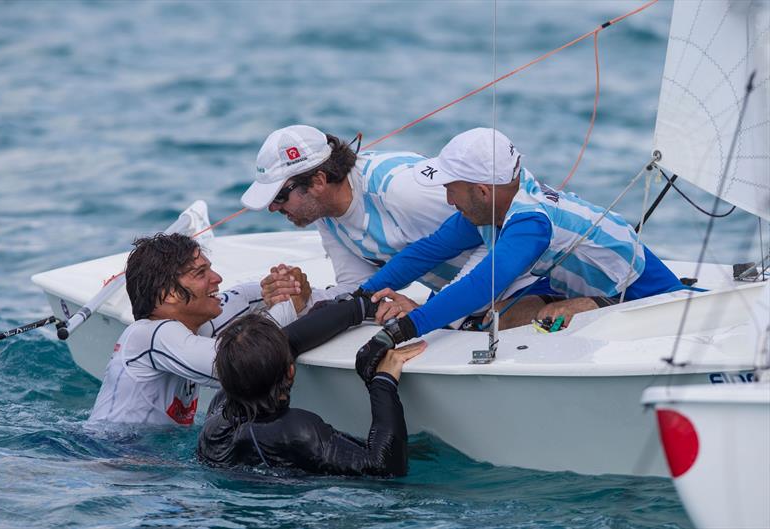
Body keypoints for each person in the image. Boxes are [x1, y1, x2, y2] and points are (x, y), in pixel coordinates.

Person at [354, 128, 686, 353]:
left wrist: (402, 331)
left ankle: (596, 314)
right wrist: (361, 294)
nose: (448, 199)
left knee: (530, 314)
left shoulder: (530, 223)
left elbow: (482, 285)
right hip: (596, 285)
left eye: (449, 187)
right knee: (499, 315)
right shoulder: (498, 203)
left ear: (481, 191)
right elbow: (426, 252)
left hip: (644, 292)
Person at [239, 125, 536, 318]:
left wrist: (439, 309)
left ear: (318, 181)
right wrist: (306, 299)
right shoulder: (327, 216)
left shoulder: (403, 190)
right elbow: (359, 288)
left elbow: (500, 222)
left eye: (280, 196)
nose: (273, 208)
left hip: (530, 280)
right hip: (472, 298)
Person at [87, 233, 374, 426]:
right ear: (169, 295)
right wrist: (291, 305)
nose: (217, 278)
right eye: (201, 274)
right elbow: (240, 362)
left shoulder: (191, 326)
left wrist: (278, 288)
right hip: (115, 462)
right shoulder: (150, 335)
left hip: (147, 466)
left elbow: (241, 298)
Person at [197, 313, 425, 476]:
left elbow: (281, 345)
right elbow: (386, 466)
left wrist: (357, 307)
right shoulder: (297, 430)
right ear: (291, 371)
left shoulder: (215, 422)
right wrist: (383, 382)